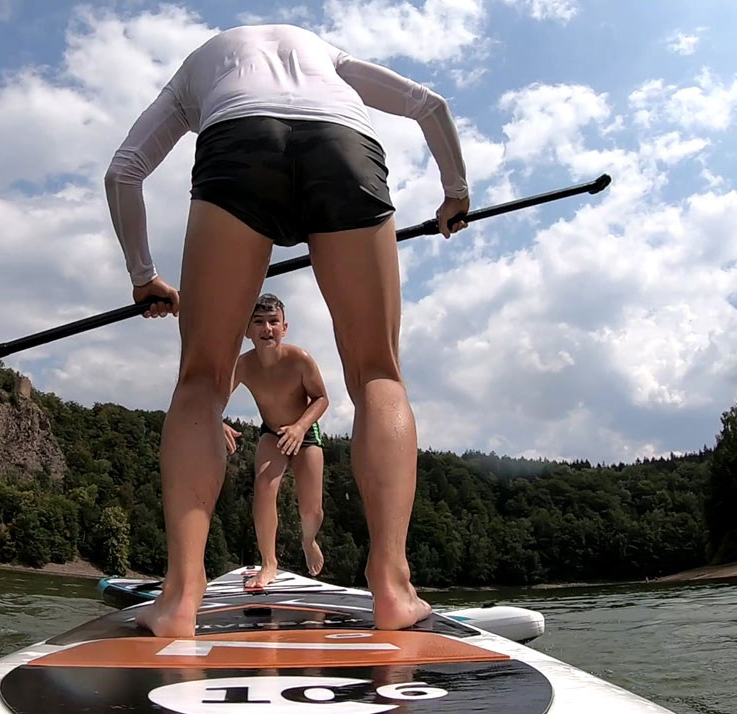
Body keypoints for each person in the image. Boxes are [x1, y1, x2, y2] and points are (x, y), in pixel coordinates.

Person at [103, 23, 470, 638]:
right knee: (378, 372)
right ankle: (394, 586)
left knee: (200, 380)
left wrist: (145, 277)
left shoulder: (200, 68)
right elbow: (430, 105)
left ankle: (180, 598)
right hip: (345, 146)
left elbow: (123, 172)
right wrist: (455, 192)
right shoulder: (325, 55)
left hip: (236, 148)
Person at [223, 293, 329, 588]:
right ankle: (269, 564)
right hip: (272, 432)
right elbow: (213, 398)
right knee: (264, 485)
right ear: (247, 331)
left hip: (305, 432)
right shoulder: (243, 365)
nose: (266, 328)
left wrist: (299, 427)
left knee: (311, 510)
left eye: (273, 322)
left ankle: (308, 540)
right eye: (258, 322)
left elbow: (321, 398)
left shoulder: (300, 359)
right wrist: (217, 421)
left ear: (284, 327)